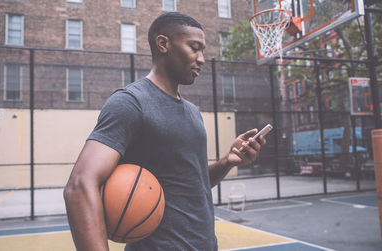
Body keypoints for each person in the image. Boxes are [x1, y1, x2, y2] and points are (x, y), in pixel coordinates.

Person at [64, 12, 266, 251]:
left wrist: (227, 162)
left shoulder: (192, 112)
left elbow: (191, 183)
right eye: (194, 47)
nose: (201, 59)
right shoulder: (131, 102)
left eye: (203, 50)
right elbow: (79, 185)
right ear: (163, 44)